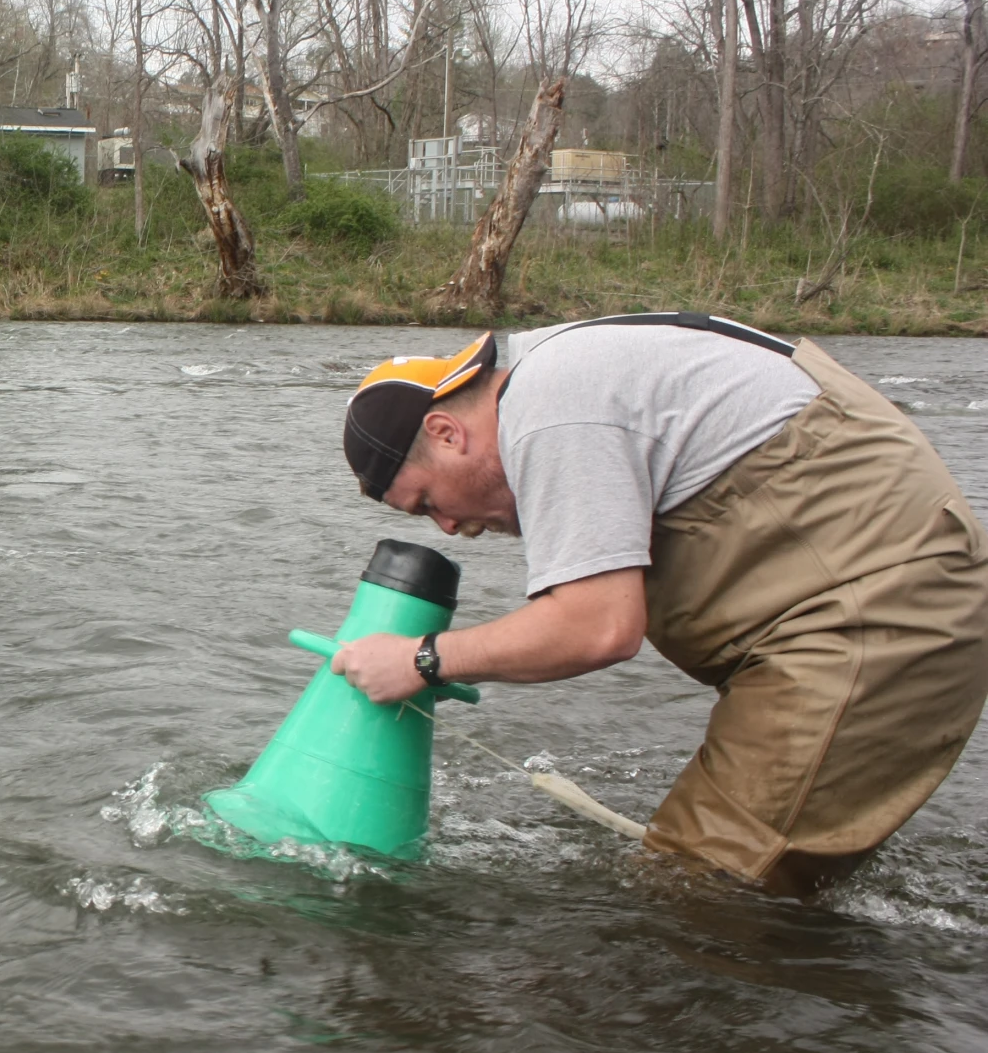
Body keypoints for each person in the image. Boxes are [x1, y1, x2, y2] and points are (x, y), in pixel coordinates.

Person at [329, 312, 988, 896]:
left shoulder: (550, 406)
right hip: (870, 601)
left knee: (695, 895)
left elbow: (600, 627)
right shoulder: (555, 373)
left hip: (874, 617)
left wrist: (423, 659)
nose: (446, 527)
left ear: (447, 432)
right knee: (734, 896)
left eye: (426, 502)